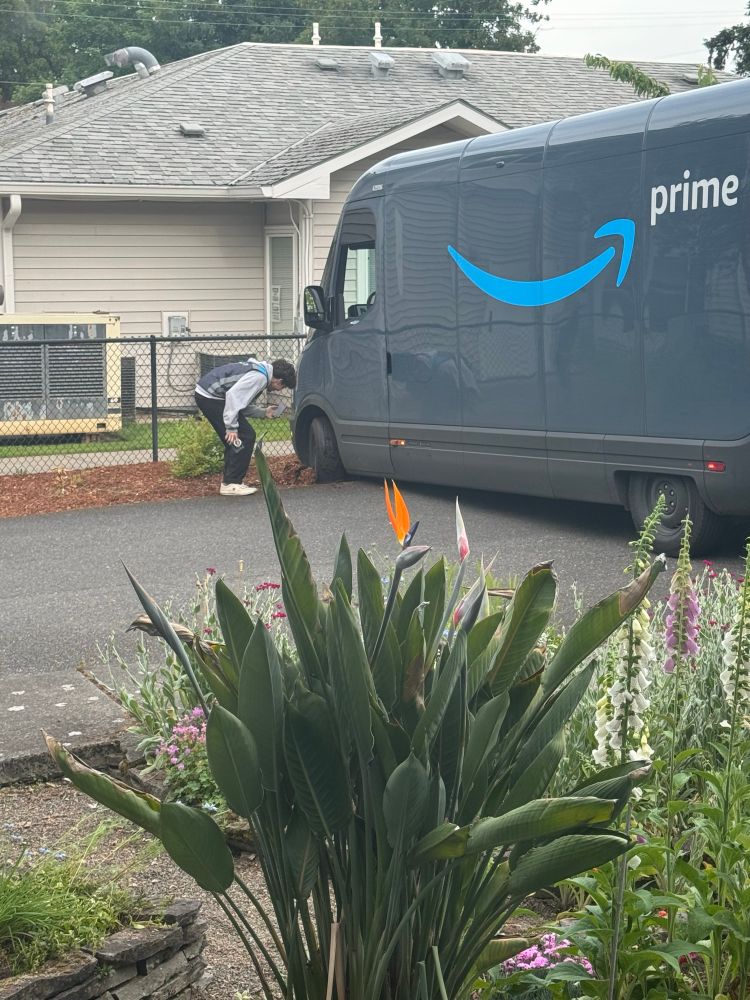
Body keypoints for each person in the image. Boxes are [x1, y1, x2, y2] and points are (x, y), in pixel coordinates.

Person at [194, 357, 296, 496]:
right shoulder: (259, 378)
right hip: (211, 397)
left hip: (209, 394)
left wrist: (263, 412)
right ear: (278, 380)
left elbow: (241, 404)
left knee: (238, 439)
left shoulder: (260, 370)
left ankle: (230, 481)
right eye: (282, 387)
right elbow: (233, 397)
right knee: (244, 436)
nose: (279, 390)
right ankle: (231, 484)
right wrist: (231, 428)